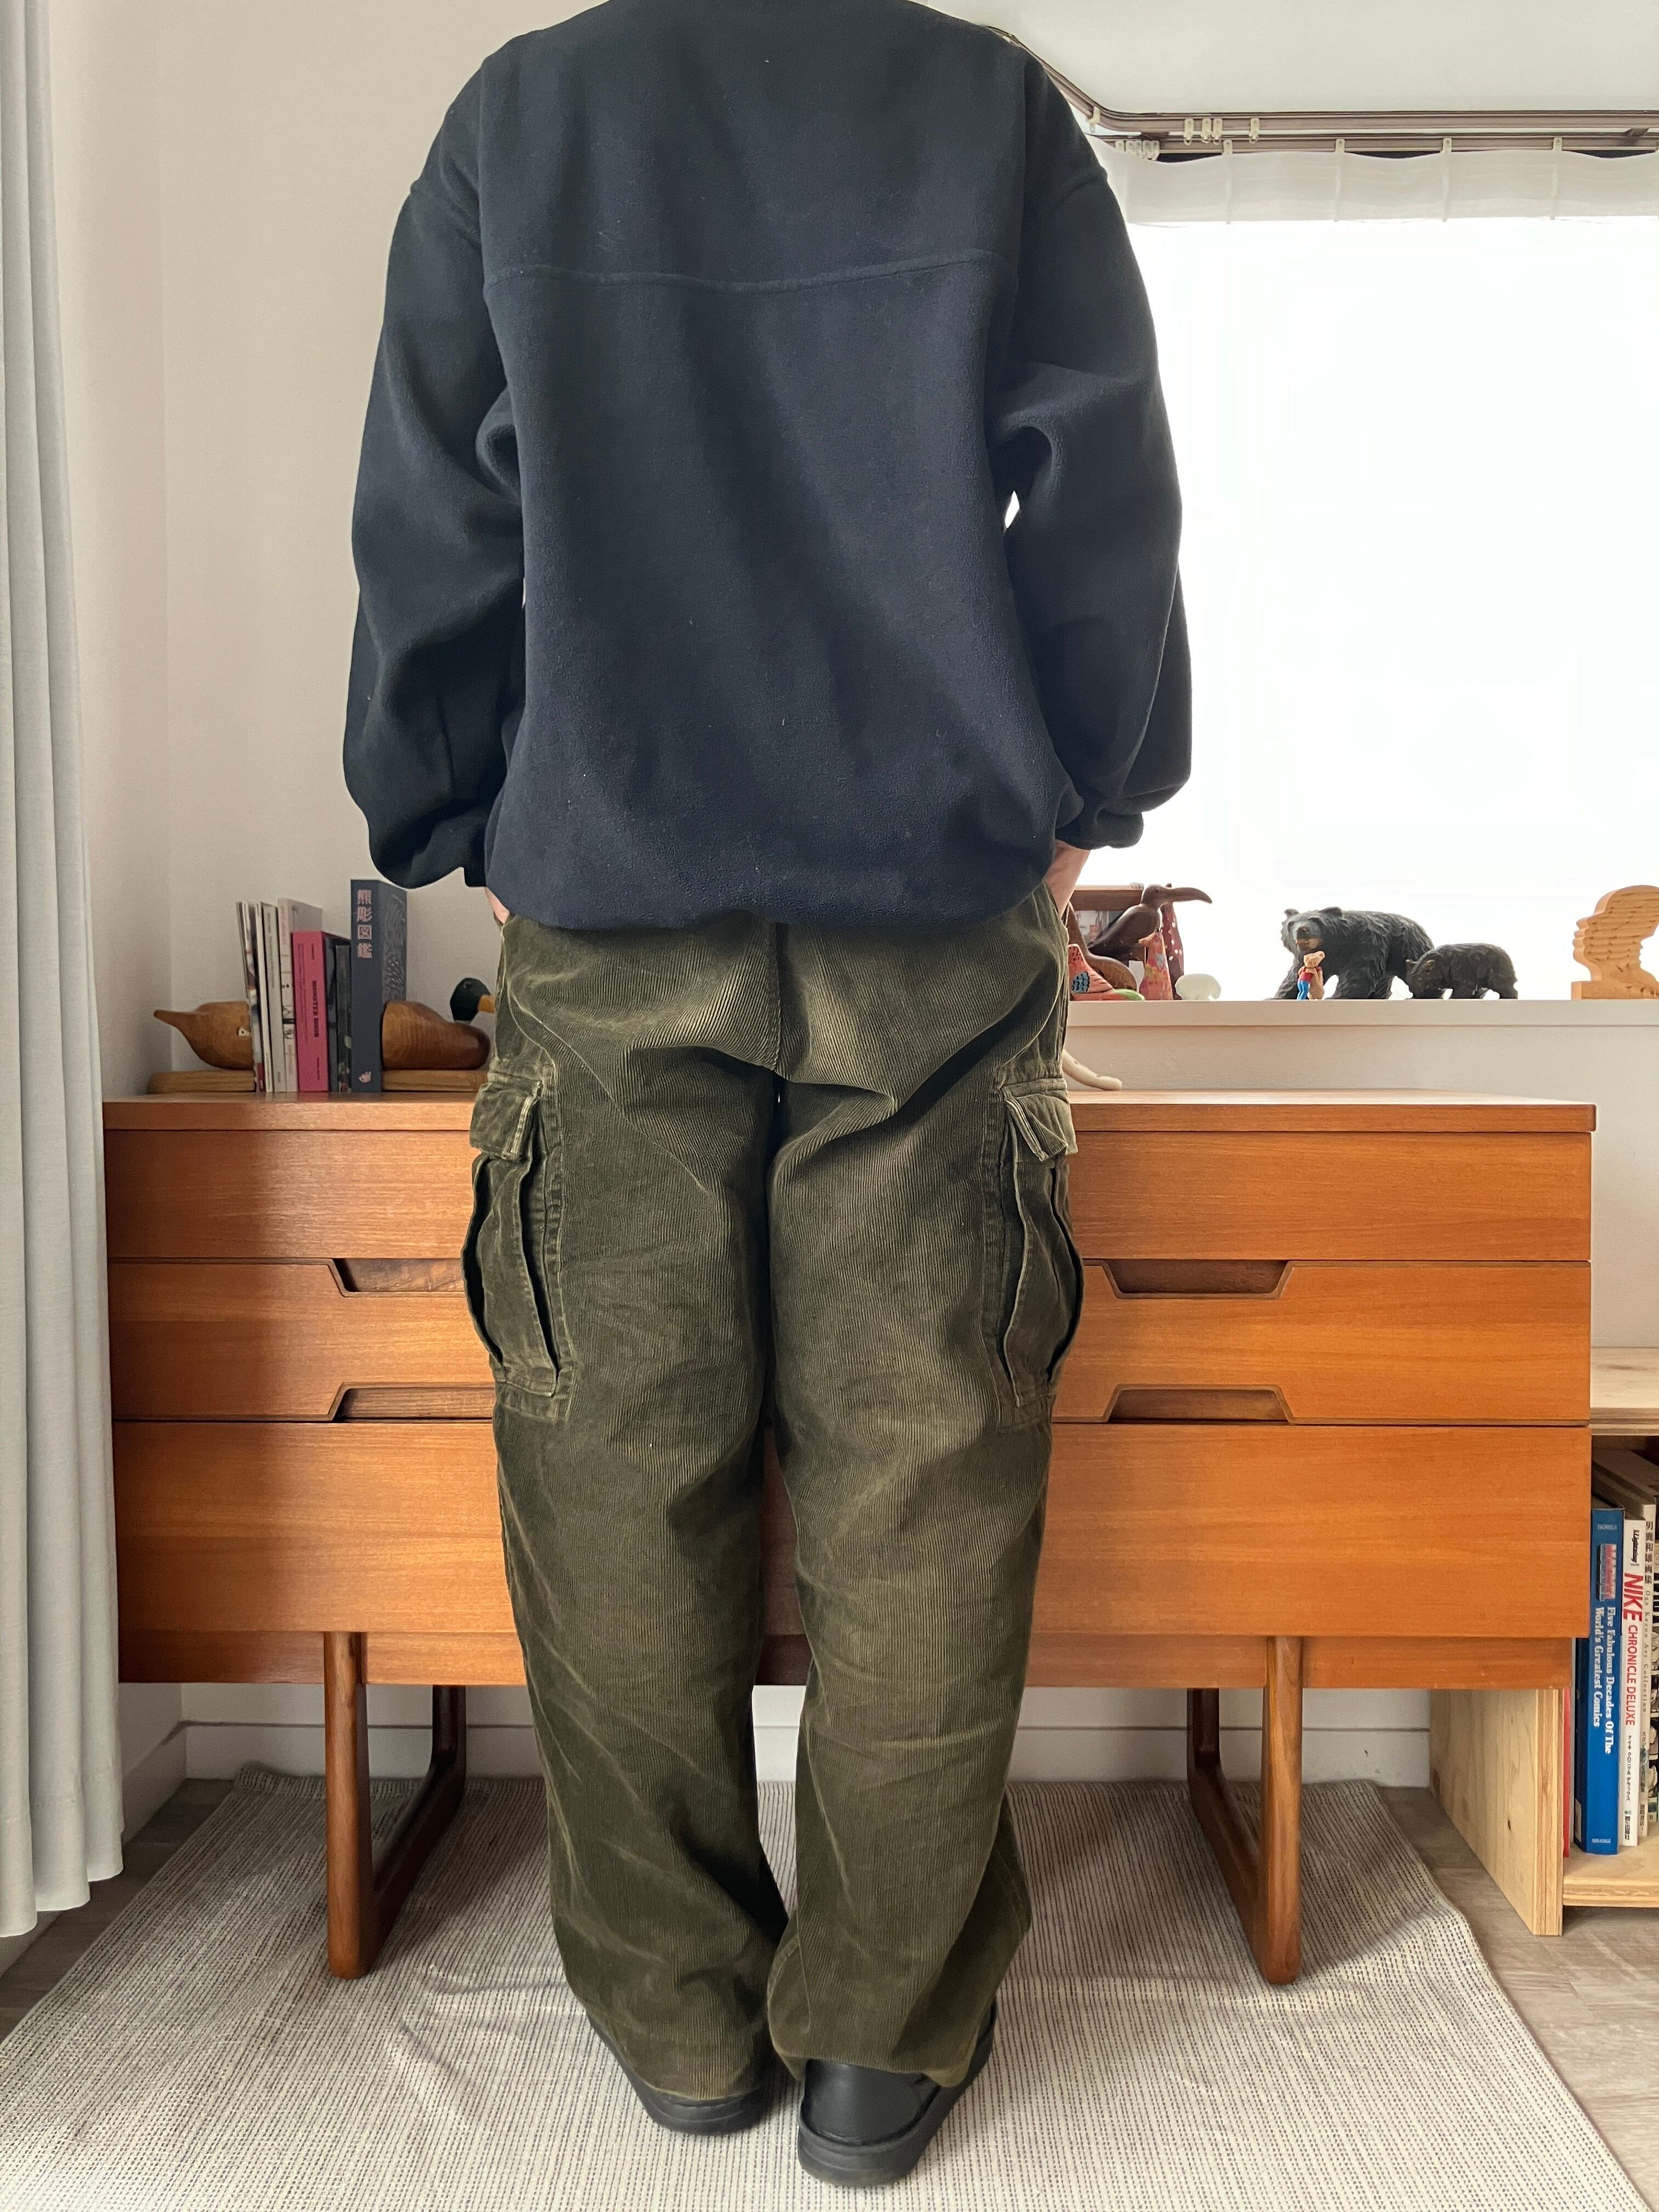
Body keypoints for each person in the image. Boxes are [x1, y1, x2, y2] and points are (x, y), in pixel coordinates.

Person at [345, 0, 1187, 2186]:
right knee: (929, 1481)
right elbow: (1101, 483)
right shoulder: (986, 105)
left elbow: (438, 509)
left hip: (614, 900)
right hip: (934, 902)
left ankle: (682, 2026)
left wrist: (453, 813)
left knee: (616, 1472)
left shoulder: (526, 116)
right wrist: (1086, 791)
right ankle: (881, 2053)